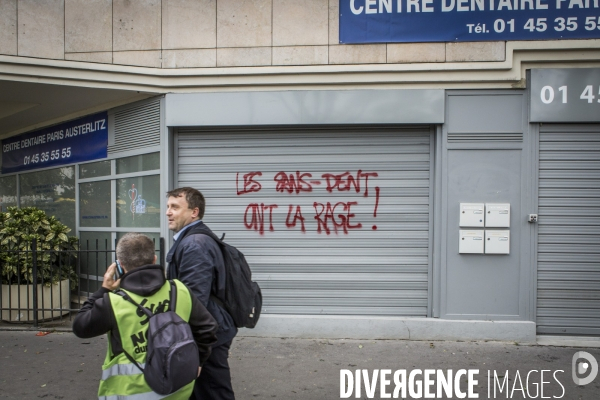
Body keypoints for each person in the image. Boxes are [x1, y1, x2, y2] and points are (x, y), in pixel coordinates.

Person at [73, 233, 218, 399]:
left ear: (120, 265)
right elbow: (208, 328)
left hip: (130, 393)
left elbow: (80, 327)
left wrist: (104, 289)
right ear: (154, 259)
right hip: (178, 389)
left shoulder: (112, 303)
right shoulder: (180, 290)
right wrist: (198, 362)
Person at [166, 187, 237, 400]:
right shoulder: (192, 239)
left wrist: (195, 348)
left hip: (208, 333)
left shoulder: (194, 244)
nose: (168, 212)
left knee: (213, 392)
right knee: (201, 391)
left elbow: (194, 300)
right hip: (211, 328)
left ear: (194, 212)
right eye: (168, 207)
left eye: (175, 207)